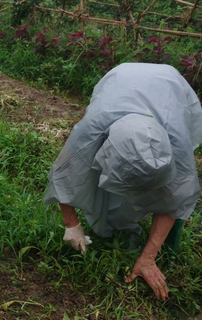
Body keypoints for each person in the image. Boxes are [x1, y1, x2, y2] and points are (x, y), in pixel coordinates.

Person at [44, 63, 202, 301]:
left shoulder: (177, 145)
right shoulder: (93, 129)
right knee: (108, 170)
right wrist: (71, 224)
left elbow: (178, 194)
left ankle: (164, 244)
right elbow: (64, 172)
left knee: (174, 191)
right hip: (120, 79)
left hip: (171, 89)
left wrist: (148, 258)